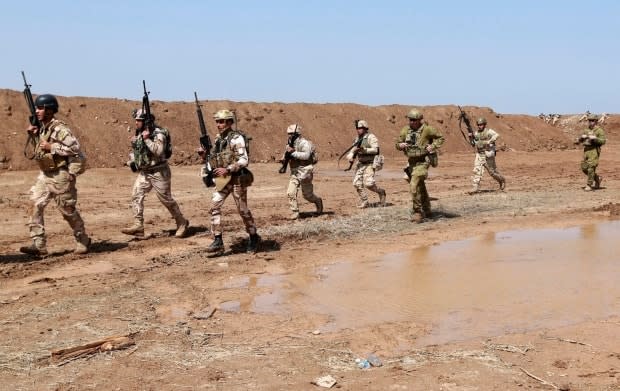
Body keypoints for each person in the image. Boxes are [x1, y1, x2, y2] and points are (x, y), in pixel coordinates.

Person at [19, 94, 90, 256]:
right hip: (45, 175)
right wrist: (34, 135)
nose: (36, 111)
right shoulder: (43, 128)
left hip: (61, 174)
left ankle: (82, 239)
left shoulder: (60, 129)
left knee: (67, 210)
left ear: (49, 110)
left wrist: (52, 147)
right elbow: (39, 149)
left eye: (40, 108)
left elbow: (75, 148)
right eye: (36, 108)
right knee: (34, 205)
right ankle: (38, 244)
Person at [121, 109, 189, 238]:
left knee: (166, 200)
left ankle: (181, 222)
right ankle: (138, 225)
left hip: (159, 171)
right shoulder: (140, 133)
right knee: (136, 195)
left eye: (139, 120)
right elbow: (139, 152)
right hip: (145, 172)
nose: (136, 122)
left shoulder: (159, 134)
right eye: (136, 120)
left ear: (146, 121)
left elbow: (158, 151)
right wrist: (132, 159)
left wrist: (146, 139)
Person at [202, 109, 260, 253]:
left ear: (229, 122)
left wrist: (228, 169)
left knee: (242, 210)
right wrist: (204, 156)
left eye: (221, 122)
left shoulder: (236, 139)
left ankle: (253, 237)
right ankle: (218, 240)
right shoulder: (218, 139)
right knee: (214, 206)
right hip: (223, 180)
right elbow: (214, 159)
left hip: (237, 179)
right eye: (217, 122)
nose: (218, 125)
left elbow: (244, 160)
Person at [395, 109, 444, 223]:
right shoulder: (405, 130)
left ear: (419, 120)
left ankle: (417, 212)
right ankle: (427, 210)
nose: (411, 122)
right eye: (410, 120)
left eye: (413, 120)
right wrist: (400, 145)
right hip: (412, 162)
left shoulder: (427, 129)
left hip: (423, 161)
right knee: (420, 187)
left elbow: (440, 138)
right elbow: (397, 143)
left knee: (413, 184)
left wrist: (433, 146)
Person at [283, 124, 323, 219]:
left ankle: (318, 201)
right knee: (290, 192)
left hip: (305, 171)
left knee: (307, 196)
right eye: (288, 133)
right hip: (295, 172)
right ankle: (295, 212)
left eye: (291, 133)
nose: (289, 135)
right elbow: (288, 154)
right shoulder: (290, 143)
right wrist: (284, 158)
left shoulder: (304, 143)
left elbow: (306, 156)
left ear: (297, 133)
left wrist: (293, 153)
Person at [347, 120, 386, 208]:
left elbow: (375, 150)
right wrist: (351, 156)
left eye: (360, 128)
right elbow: (354, 149)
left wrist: (364, 150)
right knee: (357, 184)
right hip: (360, 164)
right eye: (357, 128)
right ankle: (365, 201)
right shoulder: (357, 139)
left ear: (365, 128)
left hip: (370, 164)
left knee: (369, 184)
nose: (358, 130)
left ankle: (381, 192)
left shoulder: (371, 137)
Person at [470, 117, 506, 193]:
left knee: (492, 172)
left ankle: (502, 180)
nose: (480, 126)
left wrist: (490, 141)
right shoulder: (476, 133)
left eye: (481, 124)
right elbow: (474, 143)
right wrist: (470, 137)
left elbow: (496, 135)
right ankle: (475, 186)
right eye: (478, 125)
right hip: (479, 154)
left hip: (488, 154)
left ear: (484, 124)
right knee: (477, 170)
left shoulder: (489, 131)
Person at [576, 113, 606, 191]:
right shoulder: (586, 130)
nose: (590, 122)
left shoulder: (599, 130)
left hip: (594, 150)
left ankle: (589, 184)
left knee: (591, 168)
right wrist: (580, 139)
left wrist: (595, 139)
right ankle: (597, 178)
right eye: (589, 120)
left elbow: (603, 141)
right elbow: (580, 141)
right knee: (584, 168)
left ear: (596, 121)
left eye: (592, 120)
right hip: (586, 150)